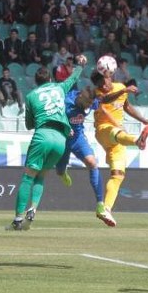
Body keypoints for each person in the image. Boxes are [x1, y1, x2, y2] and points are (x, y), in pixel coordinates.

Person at [10, 56, 87, 230]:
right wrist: (81, 65)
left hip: (43, 135)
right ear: (51, 79)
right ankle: (33, 208)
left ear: (36, 82)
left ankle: (17, 219)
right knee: (41, 176)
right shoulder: (60, 88)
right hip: (61, 139)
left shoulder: (31, 96)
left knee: (28, 177)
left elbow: (29, 124)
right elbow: (73, 78)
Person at [91, 69, 148, 226]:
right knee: (116, 132)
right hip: (103, 130)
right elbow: (106, 101)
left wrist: (144, 120)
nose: (103, 86)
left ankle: (106, 209)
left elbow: (127, 106)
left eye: (104, 82)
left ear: (109, 77)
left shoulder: (119, 87)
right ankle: (138, 141)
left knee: (118, 175)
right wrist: (125, 89)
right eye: (100, 84)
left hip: (119, 138)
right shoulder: (97, 93)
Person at [53, 85, 114, 227]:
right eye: (87, 104)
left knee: (92, 163)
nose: (89, 107)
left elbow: (104, 100)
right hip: (62, 138)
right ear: (80, 96)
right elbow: (53, 118)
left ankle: (100, 204)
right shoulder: (65, 102)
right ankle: (62, 173)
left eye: (91, 104)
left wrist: (123, 92)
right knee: (59, 170)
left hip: (77, 138)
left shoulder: (90, 101)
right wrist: (65, 128)